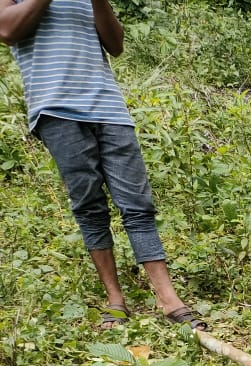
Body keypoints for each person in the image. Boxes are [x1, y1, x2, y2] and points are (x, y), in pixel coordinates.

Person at [0, 0, 207, 331]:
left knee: (138, 204)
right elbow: (7, 29)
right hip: (56, 110)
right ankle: (115, 300)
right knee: (90, 206)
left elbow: (116, 44)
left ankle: (169, 300)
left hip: (109, 108)